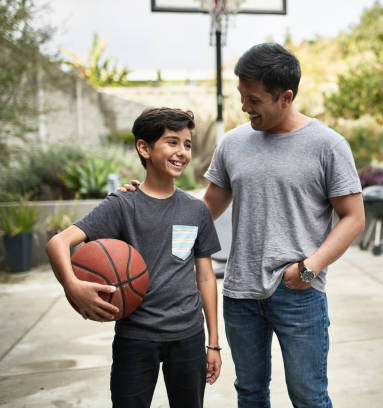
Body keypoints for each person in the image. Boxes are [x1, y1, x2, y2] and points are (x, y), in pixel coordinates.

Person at [204, 43, 365, 407]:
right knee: (250, 394)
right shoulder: (232, 143)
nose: (244, 107)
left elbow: (354, 217)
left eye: (254, 99)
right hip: (240, 293)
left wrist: (309, 269)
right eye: (241, 96)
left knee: (308, 396)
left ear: (285, 97)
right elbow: (205, 209)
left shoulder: (327, 145)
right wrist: (152, 202)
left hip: (299, 293)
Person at [46, 107, 222, 408]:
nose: (182, 152)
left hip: (188, 334)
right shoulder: (122, 206)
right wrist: (72, 286)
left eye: (187, 144)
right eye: (172, 142)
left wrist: (214, 342)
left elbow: (205, 277)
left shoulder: (196, 210)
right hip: (136, 336)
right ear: (144, 147)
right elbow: (58, 243)